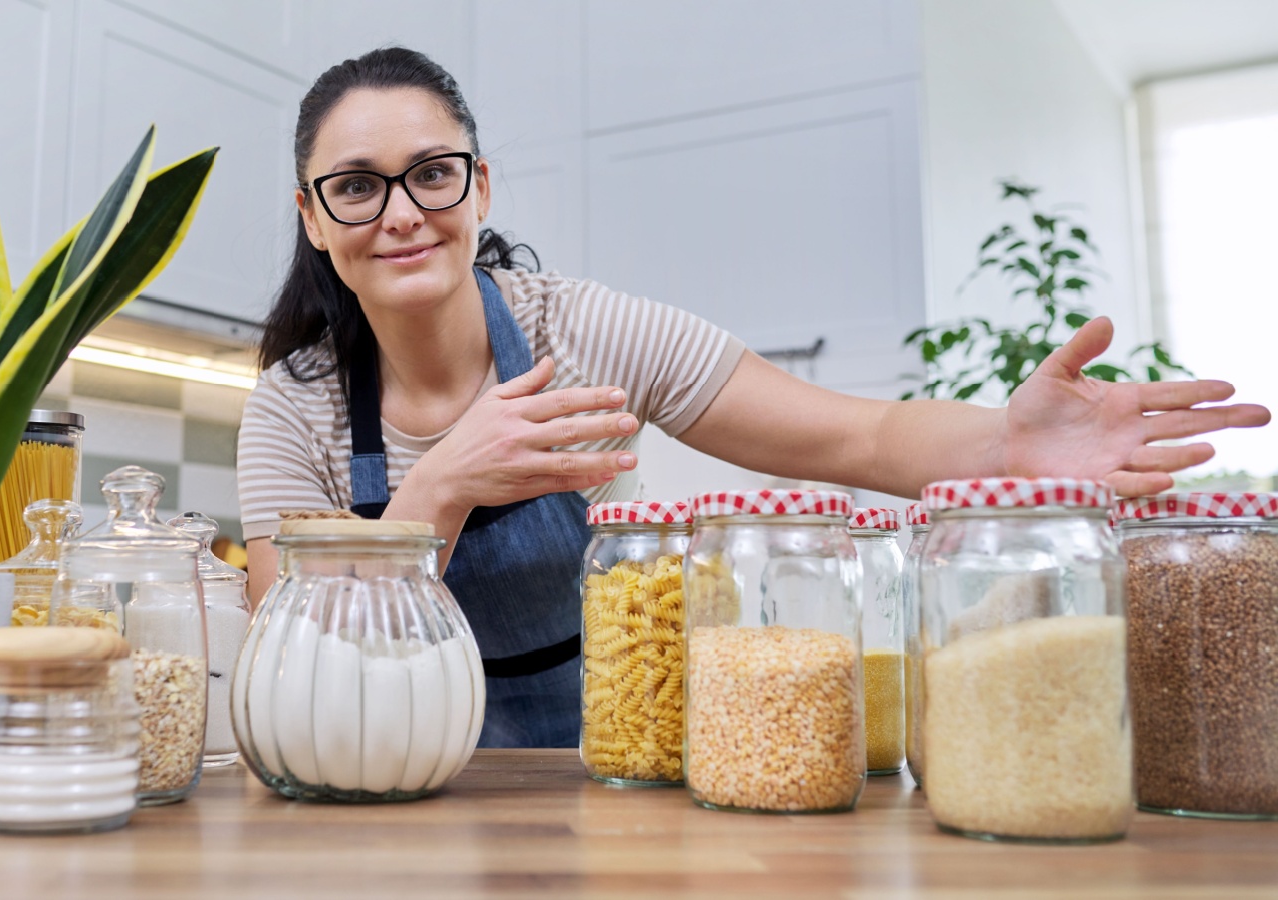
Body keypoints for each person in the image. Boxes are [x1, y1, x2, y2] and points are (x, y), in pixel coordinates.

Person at [236, 46, 1269, 748]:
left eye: (433, 174)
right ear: (313, 216)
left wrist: (1007, 442)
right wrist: (444, 486)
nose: (403, 213)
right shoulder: (293, 407)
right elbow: (290, 658)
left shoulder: (576, 333)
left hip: (605, 762)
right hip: (389, 780)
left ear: (481, 186)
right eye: (358, 186)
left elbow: (860, 438)